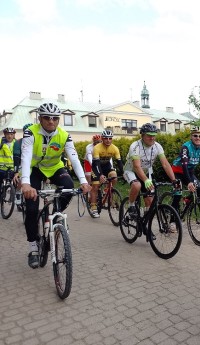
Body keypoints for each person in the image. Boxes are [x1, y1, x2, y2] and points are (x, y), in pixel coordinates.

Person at [21, 103, 91, 269]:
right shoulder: (31, 132)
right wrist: (25, 183)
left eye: (55, 118)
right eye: (47, 117)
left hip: (55, 168)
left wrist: (83, 181)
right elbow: (25, 157)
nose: (51, 121)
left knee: (68, 187)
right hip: (35, 170)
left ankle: (55, 214)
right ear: (40, 118)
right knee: (31, 209)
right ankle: (33, 248)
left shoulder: (64, 135)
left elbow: (74, 158)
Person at [123, 123, 181, 218]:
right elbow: (137, 166)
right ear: (142, 135)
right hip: (131, 170)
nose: (152, 138)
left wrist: (174, 180)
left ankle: (146, 226)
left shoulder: (157, 146)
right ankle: (131, 205)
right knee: (137, 185)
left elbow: (165, 164)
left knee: (150, 201)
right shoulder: (135, 146)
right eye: (149, 135)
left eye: (154, 136)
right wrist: (145, 180)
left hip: (146, 171)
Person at [170, 126, 200, 211]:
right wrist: (189, 182)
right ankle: (172, 213)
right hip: (177, 171)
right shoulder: (186, 147)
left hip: (189, 172)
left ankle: (186, 200)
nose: (198, 138)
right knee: (178, 193)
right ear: (191, 136)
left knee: (199, 191)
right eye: (195, 136)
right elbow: (184, 165)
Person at [89, 129, 123, 218]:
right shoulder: (97, 148)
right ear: (102, 139)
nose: (108, 140)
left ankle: (107, 191)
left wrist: (123, 173)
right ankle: (93, 207)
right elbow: (96, 163)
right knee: (95, 186)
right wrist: (100, 175)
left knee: (114, 177)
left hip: (107, 166)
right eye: (106, 138)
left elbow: (119, 162)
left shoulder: (115, 148)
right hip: (97, 168)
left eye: (110, 138)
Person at [12, 123, 33, 207]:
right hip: (21, 162)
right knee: (21, 177)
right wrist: (16, 172)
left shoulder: (36, 140)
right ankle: (17, 192)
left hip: (33, 163)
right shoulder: (18, 143)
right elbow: (16, 158)